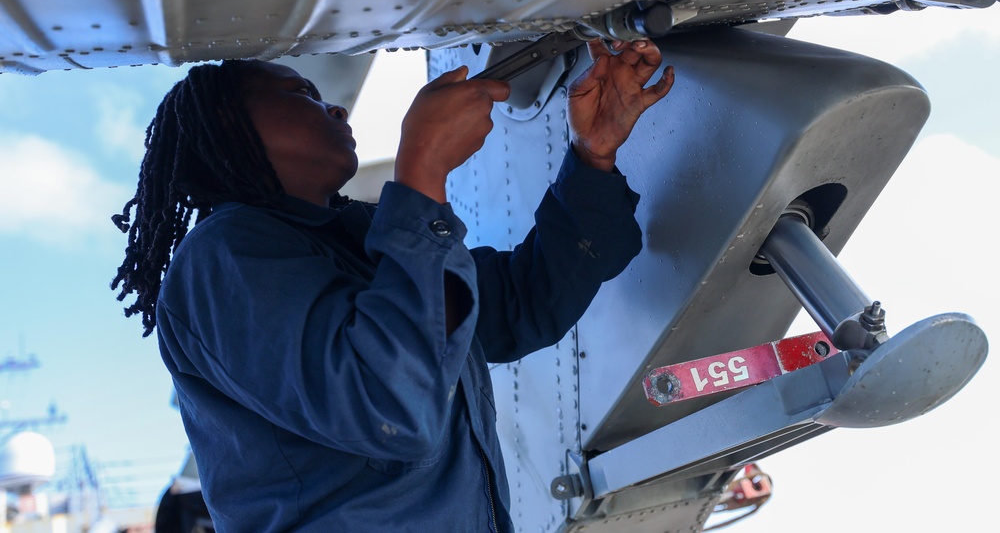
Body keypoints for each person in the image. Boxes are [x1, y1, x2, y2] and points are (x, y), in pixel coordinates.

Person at [112, 38, 674, 532]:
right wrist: (423, 171)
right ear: (233, 127)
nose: (331, 104)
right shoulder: (221, 257)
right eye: (300, 94)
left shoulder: (358, 240)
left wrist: (592, 154)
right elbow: (390, 407)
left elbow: (524, 302)